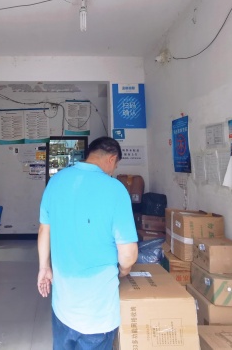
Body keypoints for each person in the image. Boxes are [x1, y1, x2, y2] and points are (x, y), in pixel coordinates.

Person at [37, 136, 138, 350]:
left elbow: (44, 229)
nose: (113, 171)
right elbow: (128, 255)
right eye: (115, 166)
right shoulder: (116, 189)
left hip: (62, 307)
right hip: (97, 314)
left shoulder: (56, 181)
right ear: (111, 159)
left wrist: (44, 268)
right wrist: (123, 270)